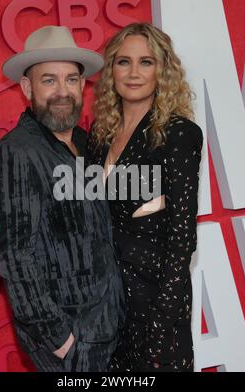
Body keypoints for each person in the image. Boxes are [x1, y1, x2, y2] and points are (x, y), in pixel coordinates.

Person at [0, 26, 124, 372]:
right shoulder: (16, 153)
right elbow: (15, 258)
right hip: (72, 342)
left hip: (110, 323)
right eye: (49, 81)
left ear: (81, 85)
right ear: (28, 88)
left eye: (71, 80)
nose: (63, 92)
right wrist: (59, 339)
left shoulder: (85, 142)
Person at [87, 22, 203, 372]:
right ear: (112, 71)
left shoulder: (178, 134)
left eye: (146, 62)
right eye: (124, 62)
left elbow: (182, 239)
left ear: (162, 71)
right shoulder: (99, 134)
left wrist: (161, 324)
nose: (134, 73)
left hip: (154, 302)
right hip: (106, 305)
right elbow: (94, 213)